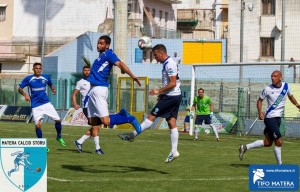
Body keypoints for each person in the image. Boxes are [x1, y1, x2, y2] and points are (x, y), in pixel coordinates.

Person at [74, 35, 142, 154]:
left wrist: (132, 76)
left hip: (100, 90)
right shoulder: (101, 56)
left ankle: (128, 118)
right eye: (98, 43)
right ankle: (83, 143)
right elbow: (117, 66)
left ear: (107, 46)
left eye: (101, 43)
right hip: (92, 92)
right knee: (93, 122)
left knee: (106, 122)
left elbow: (120, 64)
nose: (98, 45)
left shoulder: (109, 54)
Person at [118, 44, 182, 163]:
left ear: (161, 53)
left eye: (155, 55)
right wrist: (162, 94)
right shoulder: (168, 63)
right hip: (173, 96)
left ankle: (133, 135)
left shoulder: (170, 64)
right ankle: (174, 151)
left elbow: (173, 83)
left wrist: (159, 91)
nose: (155, 58)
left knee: (151, 117)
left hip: (170, 97)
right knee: (171, 122)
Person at [239, 70, 300, 164]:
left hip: (278, 119)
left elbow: (291, 97)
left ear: (280, 77)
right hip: (270, 118)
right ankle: (280, 166)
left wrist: (297, 105)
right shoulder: (267, 89)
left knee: (267, 143)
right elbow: (259, 100)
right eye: (271, 76)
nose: (272, 78)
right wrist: (260, 112)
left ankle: (245, 147)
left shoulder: (286, 86)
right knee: (279, 142)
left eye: (275, 76)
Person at [18, 62, 66, 152]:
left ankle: (59, 136)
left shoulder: (46, 77)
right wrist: (25, 95)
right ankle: (41, 145)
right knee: (38, 125)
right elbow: (19, 88)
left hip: (46, 103)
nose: (38, 70)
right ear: (33, 69)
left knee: (58, 120)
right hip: (36, 106)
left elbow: (50, 84)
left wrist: (53, 89)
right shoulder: (29, 79)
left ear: (41, 69)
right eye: (36, 68)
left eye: (40, 68)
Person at [73, 66, 103, 154]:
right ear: (82, 71)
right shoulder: (80, 82)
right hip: (87, 107)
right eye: (85, 70)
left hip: (96, 106)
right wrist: (75, 104)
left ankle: (79, 142)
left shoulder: (94, 80)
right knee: (95, 126)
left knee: (96, 127)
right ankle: (97, 148)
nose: (86, 72)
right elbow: (74, 94)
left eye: (88, 70)